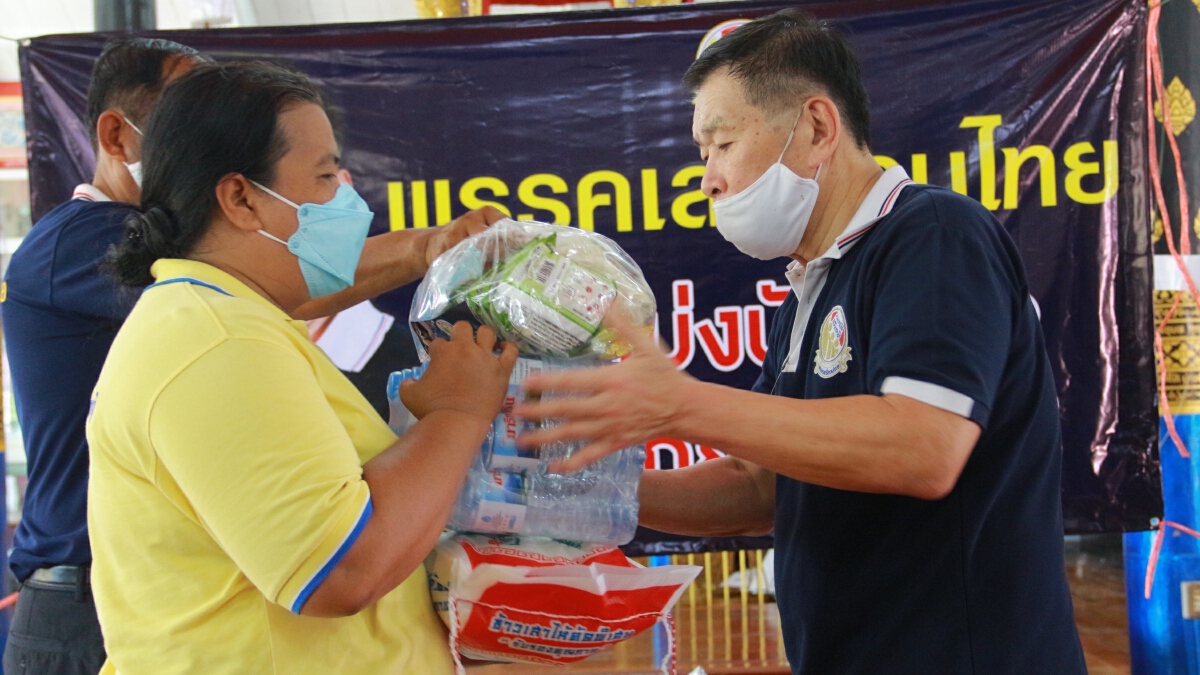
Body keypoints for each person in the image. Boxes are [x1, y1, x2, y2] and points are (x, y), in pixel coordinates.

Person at [516, 10, 1087, 675]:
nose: (708, 178)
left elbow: (924, 446)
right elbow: (762, 490)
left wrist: (681, 405)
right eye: (703, 155)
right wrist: (579, 494)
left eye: (722, 144)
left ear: (817, 127)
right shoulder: (811, 286)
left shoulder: (933, 234)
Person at [86, 60, 517, 675]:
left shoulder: (228, 320)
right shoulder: (216, 343)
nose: (345, 198)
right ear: (240, 198)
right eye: (323, 178)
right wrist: (456, 413)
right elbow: (339, 571)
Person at [1, 39, 206, 675]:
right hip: (84, 604)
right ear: (117, 135)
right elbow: (271, 285)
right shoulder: (82, 241)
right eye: (189, 126)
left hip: (153, 591)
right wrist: (424, 247)